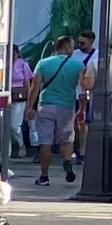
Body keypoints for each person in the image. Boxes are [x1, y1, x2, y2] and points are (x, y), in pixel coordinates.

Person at [25, 35, 82, 185]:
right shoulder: (78, 65)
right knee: (67, 138)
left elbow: (35, 86)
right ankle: (68, 160)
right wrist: (82, 108)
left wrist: (29, 107)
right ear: (67, 47)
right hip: (67, 106)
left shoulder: (43, 63)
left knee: (45, 141)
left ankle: (44, 176)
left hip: (46, 105)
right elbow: (83, 89)